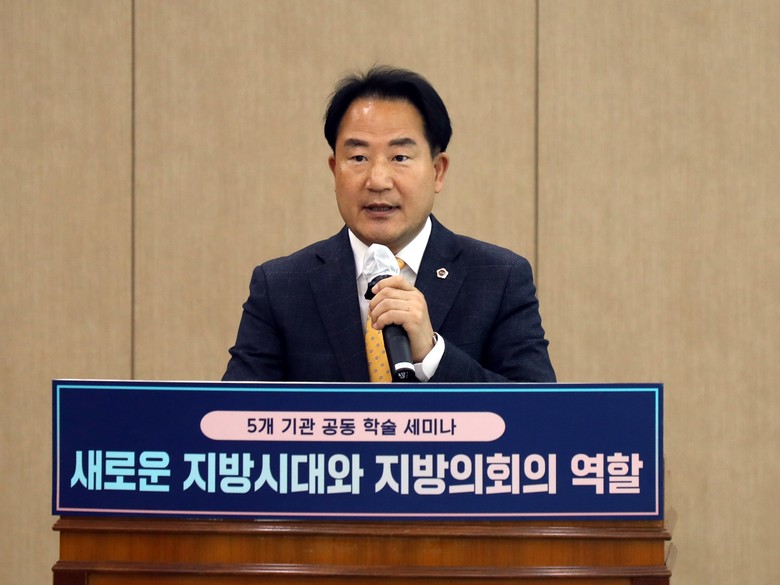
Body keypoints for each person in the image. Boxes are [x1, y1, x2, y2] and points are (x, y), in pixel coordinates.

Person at [223, 66, 555, 383]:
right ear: (334, 170)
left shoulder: (498, 278)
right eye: (358, 158)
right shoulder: (280, 287)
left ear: (437, 171)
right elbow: (231, 413)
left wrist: (432, 355)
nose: (378, 180)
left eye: (399, 157)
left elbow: (536, 411)